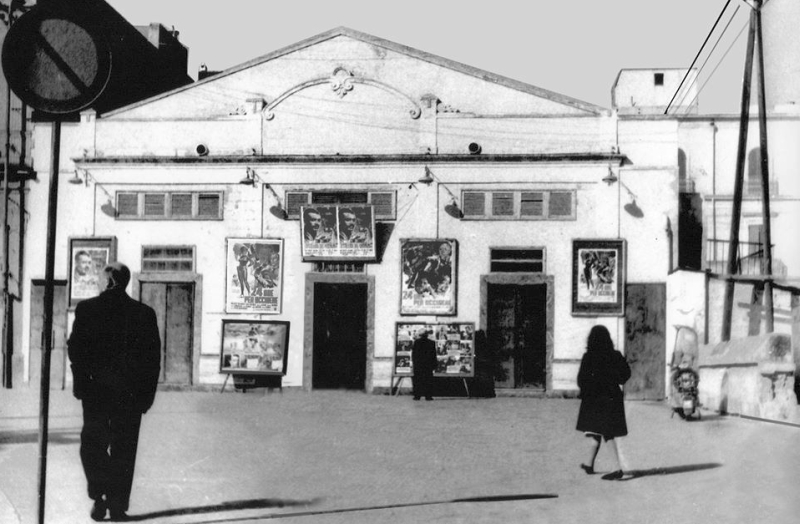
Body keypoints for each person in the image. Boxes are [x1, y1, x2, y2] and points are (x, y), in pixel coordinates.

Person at [67, 262, 161, 521]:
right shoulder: (144, 313)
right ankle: (118, 504)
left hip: (96, 393)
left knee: (92, 446)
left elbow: (75, 350)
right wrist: (147, 396)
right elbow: (153, 360)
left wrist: (81, 384)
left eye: (100, 279)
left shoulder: (87, 310)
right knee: (124, 449)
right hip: (130, 396)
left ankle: (99, 496)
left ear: (108, 282)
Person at [575, 325, 631, 481]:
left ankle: (617, 468)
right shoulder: (615, 355)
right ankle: (589, 464)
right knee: (598, 431)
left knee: (605, 432)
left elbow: (581, 380)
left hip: (594, 399)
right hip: (612, 398)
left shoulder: (589, 356)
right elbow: (625, 375)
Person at [411, 328, 437, 401]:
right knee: (428, 380)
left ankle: (417, 396)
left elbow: (414, 354)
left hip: (418, 365)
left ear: (420, 335)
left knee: (417, 380)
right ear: (427, 335)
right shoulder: (431, 343)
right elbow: (433, 354)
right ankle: (428, 396)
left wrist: (414, 363)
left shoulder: (416, 342)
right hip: (428, 365)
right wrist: (434, 364)